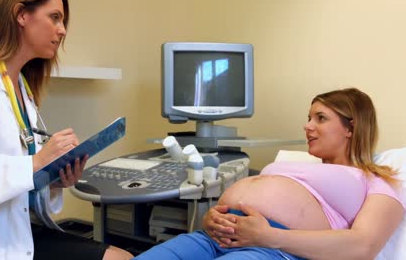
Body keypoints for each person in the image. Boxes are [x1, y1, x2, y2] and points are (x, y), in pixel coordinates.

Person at [0, 0, 132, 259]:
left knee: (122, 256)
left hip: (18, 231)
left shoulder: (22, 88)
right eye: (54, 17)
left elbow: (21, 183)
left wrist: (54, 181)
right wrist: (37, 162)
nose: (62, 30)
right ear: (21, 14)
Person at [134, 88, 405, 260]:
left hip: (273, 249)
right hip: (212, 237)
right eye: (309, 118)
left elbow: (363, 247)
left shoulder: (375, 180)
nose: (307, 126)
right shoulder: (305, 168)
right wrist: (211, 217)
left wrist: (268, 236)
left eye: (320, 118)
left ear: (351, 128)